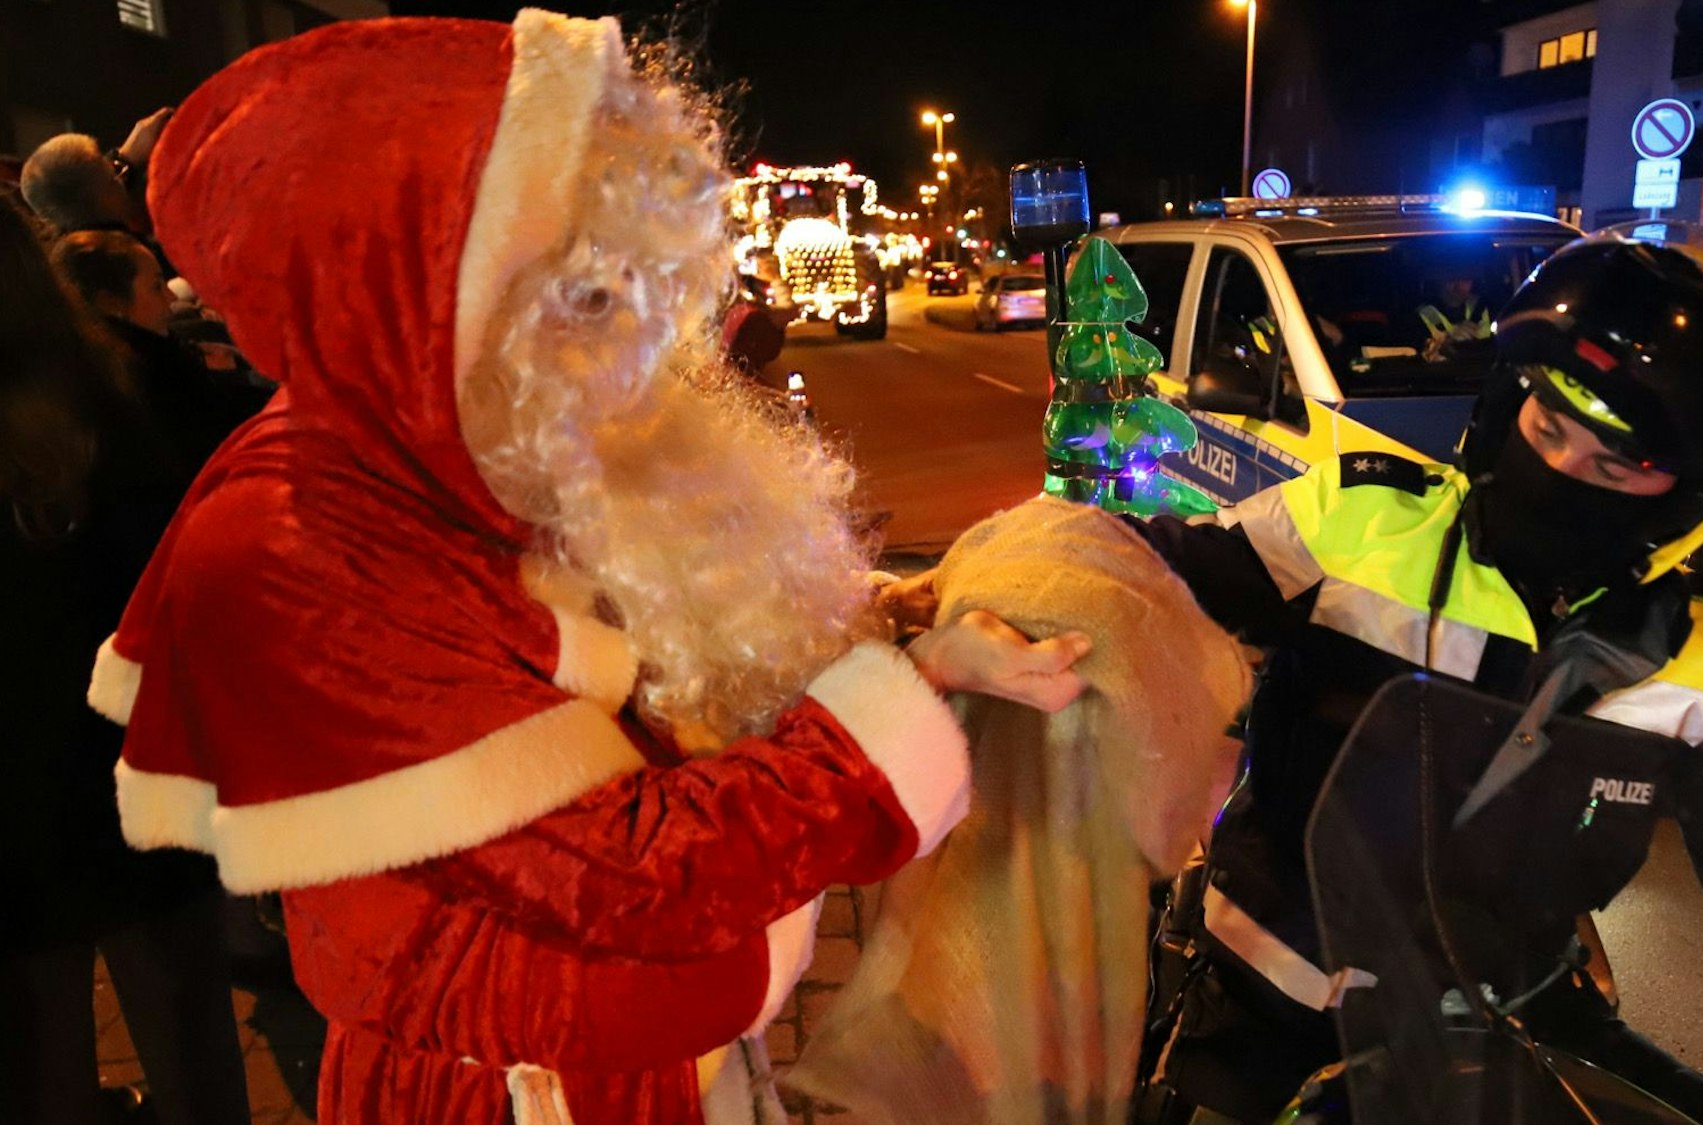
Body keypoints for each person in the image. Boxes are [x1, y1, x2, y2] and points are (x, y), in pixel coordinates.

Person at [88, 12, 1086, 1125]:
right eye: (588, 278)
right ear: (415, 279)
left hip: (647, 1074)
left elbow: (665, 629)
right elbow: (628, 876)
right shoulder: (295, 539)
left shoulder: (471, 424)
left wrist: (868, 626)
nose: (647, 325)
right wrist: (908, 701)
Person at [1127, 224, 1703, 1124]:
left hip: (1509, 1032)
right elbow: (1140, 591)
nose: (1560, 470)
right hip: (1258, 1016)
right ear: (1511, 400)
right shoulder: (1357, 520)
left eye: (1617, 462)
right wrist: (1036, 584)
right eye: (1549, 425)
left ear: (1701, 495)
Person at [0, 196, 251, 1125]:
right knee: (191, 1043)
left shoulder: (121, 388)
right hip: (129, 771)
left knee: (40, 1066)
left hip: (21, 819)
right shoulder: (119, 393)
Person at [50, 228, 267, 469]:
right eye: (156, 287)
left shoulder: (139, 352)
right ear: (110, 303)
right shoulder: (150, 377)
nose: (171, 296)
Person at [18, 109, 172, 241]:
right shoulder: (148, 259)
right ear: (108, 196)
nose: (119, 174)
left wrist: (124, 158)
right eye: (112, 177)